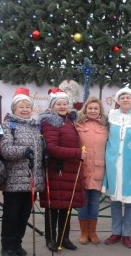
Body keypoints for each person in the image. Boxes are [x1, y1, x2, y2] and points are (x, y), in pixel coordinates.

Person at [38, 88, 87, 252]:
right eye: (58, 103)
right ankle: (51, 239)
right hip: (56, 169)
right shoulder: (50, 121)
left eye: (65, 103)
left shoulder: (68, 121)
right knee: (53, 207)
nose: (62, 106)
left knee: (66, 207)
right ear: (52, 106)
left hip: (70, 170)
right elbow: (52, 148)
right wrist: (78, 153)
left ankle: (63, 238)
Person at [0, 87, 45, 256]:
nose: (25, 110)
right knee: (11, 216)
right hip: (13, 181)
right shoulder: (9, 125)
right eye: (21, 107)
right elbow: (5, 150)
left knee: (24, 215)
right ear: (14, 109)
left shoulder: (35, 126)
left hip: (32, 180)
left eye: (28, 107)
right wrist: (24, 151)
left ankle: (17, 244)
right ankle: (8, 247)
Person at [102, 87, 131, 249]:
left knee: (130, 201)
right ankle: (116, 232)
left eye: (128, 97)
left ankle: (127, 234)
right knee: (114, 200)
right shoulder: (111, 116)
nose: (125, 100)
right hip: (113, 163)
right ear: (118, 100)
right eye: (122, 97)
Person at [75, 97, 109, 245]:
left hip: (98, 168)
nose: (93, 111)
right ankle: (83, 232)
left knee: (94, 202)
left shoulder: (106, 127)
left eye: (96, 108)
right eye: (90, 108)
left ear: (100, 110)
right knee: (82, 201)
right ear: (85, 109)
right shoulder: (78, 125)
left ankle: (92, 231)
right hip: (82, 168)